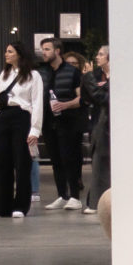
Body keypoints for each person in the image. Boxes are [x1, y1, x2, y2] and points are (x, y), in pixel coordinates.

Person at [0, 41, 42, 219]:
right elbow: (0, 98)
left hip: (22, 117)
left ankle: (21, 205)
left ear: (20, 54)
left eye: (10, 51)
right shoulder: (3, 74)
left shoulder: (33, 75)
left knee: (22, 162)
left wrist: (35, 130)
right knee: (1, 163)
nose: (6, 54)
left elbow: (37, 103)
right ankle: (0, 207)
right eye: (6, 51)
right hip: (3, 117)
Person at [43, 40, 90, 210]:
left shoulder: (72, 72)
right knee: (56, 160)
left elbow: (81, 98)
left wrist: (65, 105)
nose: (44, 52)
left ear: (57, 51)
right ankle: (62, 195)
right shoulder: (42, 72)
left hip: (69, 122)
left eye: (47, 49)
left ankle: (75, 197)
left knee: (69, 159)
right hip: (49, 123)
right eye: (43, 49)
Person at [85, 43, 111, 213]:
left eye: (101, 54)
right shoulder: (97, 75)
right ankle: (96, 201)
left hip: (108, 124)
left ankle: (99, 202)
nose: (97, 57)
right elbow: (89, 97)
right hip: (98, 124)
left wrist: (88, 78)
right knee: (98, 162)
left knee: (103, 162)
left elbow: (102, 98)